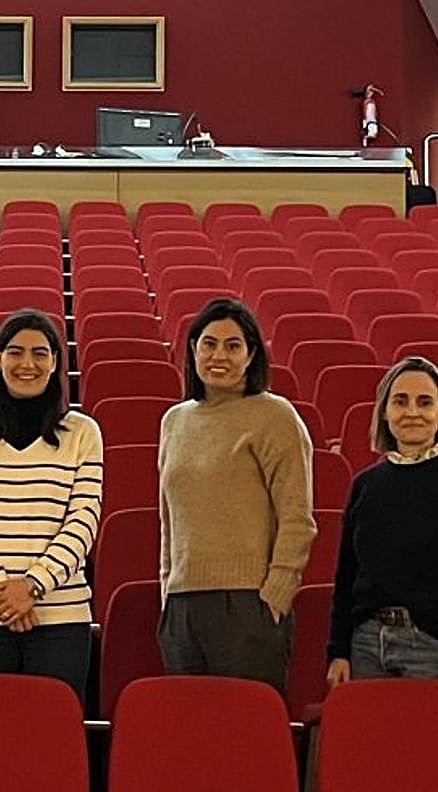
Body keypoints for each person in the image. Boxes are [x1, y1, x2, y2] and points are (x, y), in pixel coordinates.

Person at [0, 308, 102, 703]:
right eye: (14, 352)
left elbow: (83, 521)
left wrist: (31, 587)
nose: (27, 363)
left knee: (53, 738)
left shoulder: (82, 432)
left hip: (61, 617)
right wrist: (2, 591)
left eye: (40, 353)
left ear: (55, 363)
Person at [158, 296, 316, 695]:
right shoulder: (174, 421)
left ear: (251, 355)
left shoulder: (274, 416)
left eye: (233, 346)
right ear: (192, 349)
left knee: (248, 738)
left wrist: (275, 595)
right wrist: (167, 591)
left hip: (248, 606)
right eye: (208, 343)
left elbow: (297, 516)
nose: (219, 355)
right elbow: (168, 521)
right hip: (182, 606)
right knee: (193, 735)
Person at [326, 356, 438, 703]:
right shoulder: (365, 484)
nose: (412, 412)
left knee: (426, 751)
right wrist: (339, 650)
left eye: (425, 402)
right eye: (400, 401)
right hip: (366, 645)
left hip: (433, 646)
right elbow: (346, 576)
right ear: (385, 413)